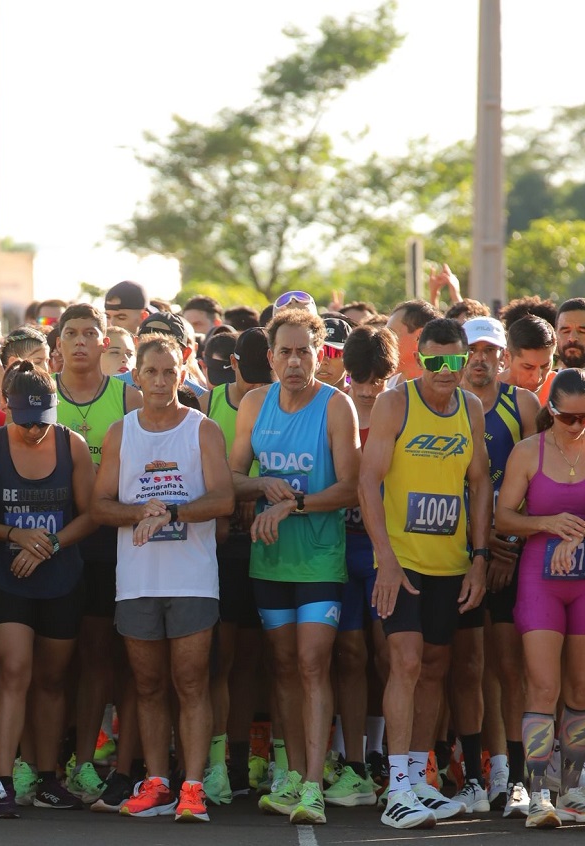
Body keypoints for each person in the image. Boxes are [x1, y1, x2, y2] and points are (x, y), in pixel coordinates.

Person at [92, 334, 234, 823]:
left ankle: (192, 787)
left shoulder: (203, 430)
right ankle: (157, 782)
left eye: (167, 372)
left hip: (192, 578)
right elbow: (99, 504)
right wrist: (138, 513)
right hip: (137, 581)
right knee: (148, 685)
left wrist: (171, 512)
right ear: (136, 376)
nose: (158, 381)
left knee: (191, 682)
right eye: (149, 372)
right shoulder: (120, 432)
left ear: (182, 372)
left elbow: (223, 500)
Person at [359, 317, 491, 829]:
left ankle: (417, 778)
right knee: (406, 661)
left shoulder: (471, 408)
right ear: (419, 359)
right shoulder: (397, 403)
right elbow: (368, 481)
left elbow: (479, 484)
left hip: (451, 562)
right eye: (433, 360)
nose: (444, 370)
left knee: (436, 666)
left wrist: (479, 556)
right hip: (402, 561)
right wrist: (385, 557)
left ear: (464, 360)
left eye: (453, 361)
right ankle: (395, 788)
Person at [230, 310, 361, 825]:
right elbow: (231, 476)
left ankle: (312, 783)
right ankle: (290, 772)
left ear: (319, 353)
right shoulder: (253, 404)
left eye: (304, 350)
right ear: (270, 357)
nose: (294, 361)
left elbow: (350, 487)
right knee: (283, 666)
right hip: (270, 561)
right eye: (285, 352)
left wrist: (295, 504)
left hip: (320, 558)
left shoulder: (337, 405)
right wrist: (263, 487)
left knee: (312, 664)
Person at [0, 362, 97, 816]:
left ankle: (47, 776)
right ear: (5, 409)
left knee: (52, 679)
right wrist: (13, 535)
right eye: (23, 422)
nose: (34, 432)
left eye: (42, 423)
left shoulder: (72, 445)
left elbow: (92, 513)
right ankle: (4, 782)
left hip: (61, 577)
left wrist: (51, 543)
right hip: (8, 578)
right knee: (15, 670)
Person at [52, 303, 143, 809]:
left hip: (119, 542)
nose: (83, 341)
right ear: (58, 345)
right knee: (75, 658)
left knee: (128, 658)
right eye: (73, 333)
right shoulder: (42, 398)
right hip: (62, 540)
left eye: (92, 333)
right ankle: (73, 758)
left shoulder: (127, 397)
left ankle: (118, 765)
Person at [495, 367, 585, 829]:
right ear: (551, 412)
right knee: (543, 685)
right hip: (539, 579)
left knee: (579, 688)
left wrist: (579, 533)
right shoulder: (528, 452)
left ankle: (572, 788)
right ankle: (538, 793)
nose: (578, 425)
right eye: (569, 418)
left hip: (583, 580)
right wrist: (547, 524)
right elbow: (503, 518)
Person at [458, 317, 539, 816]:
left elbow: (536, 477)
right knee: (467, 667)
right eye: (474, 350)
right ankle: (474, 774)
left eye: (491, 350)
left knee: (511, 666)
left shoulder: (521, 404)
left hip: (509, 555)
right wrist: (479, 544)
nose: (482, 359)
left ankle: (515, 777)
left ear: (503, 355)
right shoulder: (442, 404)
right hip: (456, 552)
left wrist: (505, 542)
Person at [325, 324, 399, 809]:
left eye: (378, 379)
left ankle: (392, 757)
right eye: (360, 378)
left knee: (390, 657)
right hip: (339, 545)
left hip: (385, 550)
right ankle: (352, 761)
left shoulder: (401, 412)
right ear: (346, 373)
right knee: (348, 656)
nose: (369, 389)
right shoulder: (334, 408)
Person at [199, 327, 271, 803]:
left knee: (253, 660)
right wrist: (241, 491)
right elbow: (211, 473)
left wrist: (252, 489)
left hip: (272, 542)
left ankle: (244, 757)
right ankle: (217, 761)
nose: (261, 390)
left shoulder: (289, 401)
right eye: (254, 379)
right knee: (218, 660)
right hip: (221, 546)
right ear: (236, 368)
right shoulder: (210, 406)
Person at [500, 316, 557, 405]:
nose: (537, 378)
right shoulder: (488, 394)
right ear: (507, 356)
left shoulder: (562, 389)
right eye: (528, 367)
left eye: (545, 366)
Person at [386, 300, 443, 384]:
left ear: (421, 337)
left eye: (391, 334)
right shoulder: (385, 387)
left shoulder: (446, 387)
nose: (384, 341)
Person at [315, 317, 351, 390]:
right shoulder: (292, 397)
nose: (323, 361)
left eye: (333, 352)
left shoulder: (361, 398)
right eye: (318, 352)